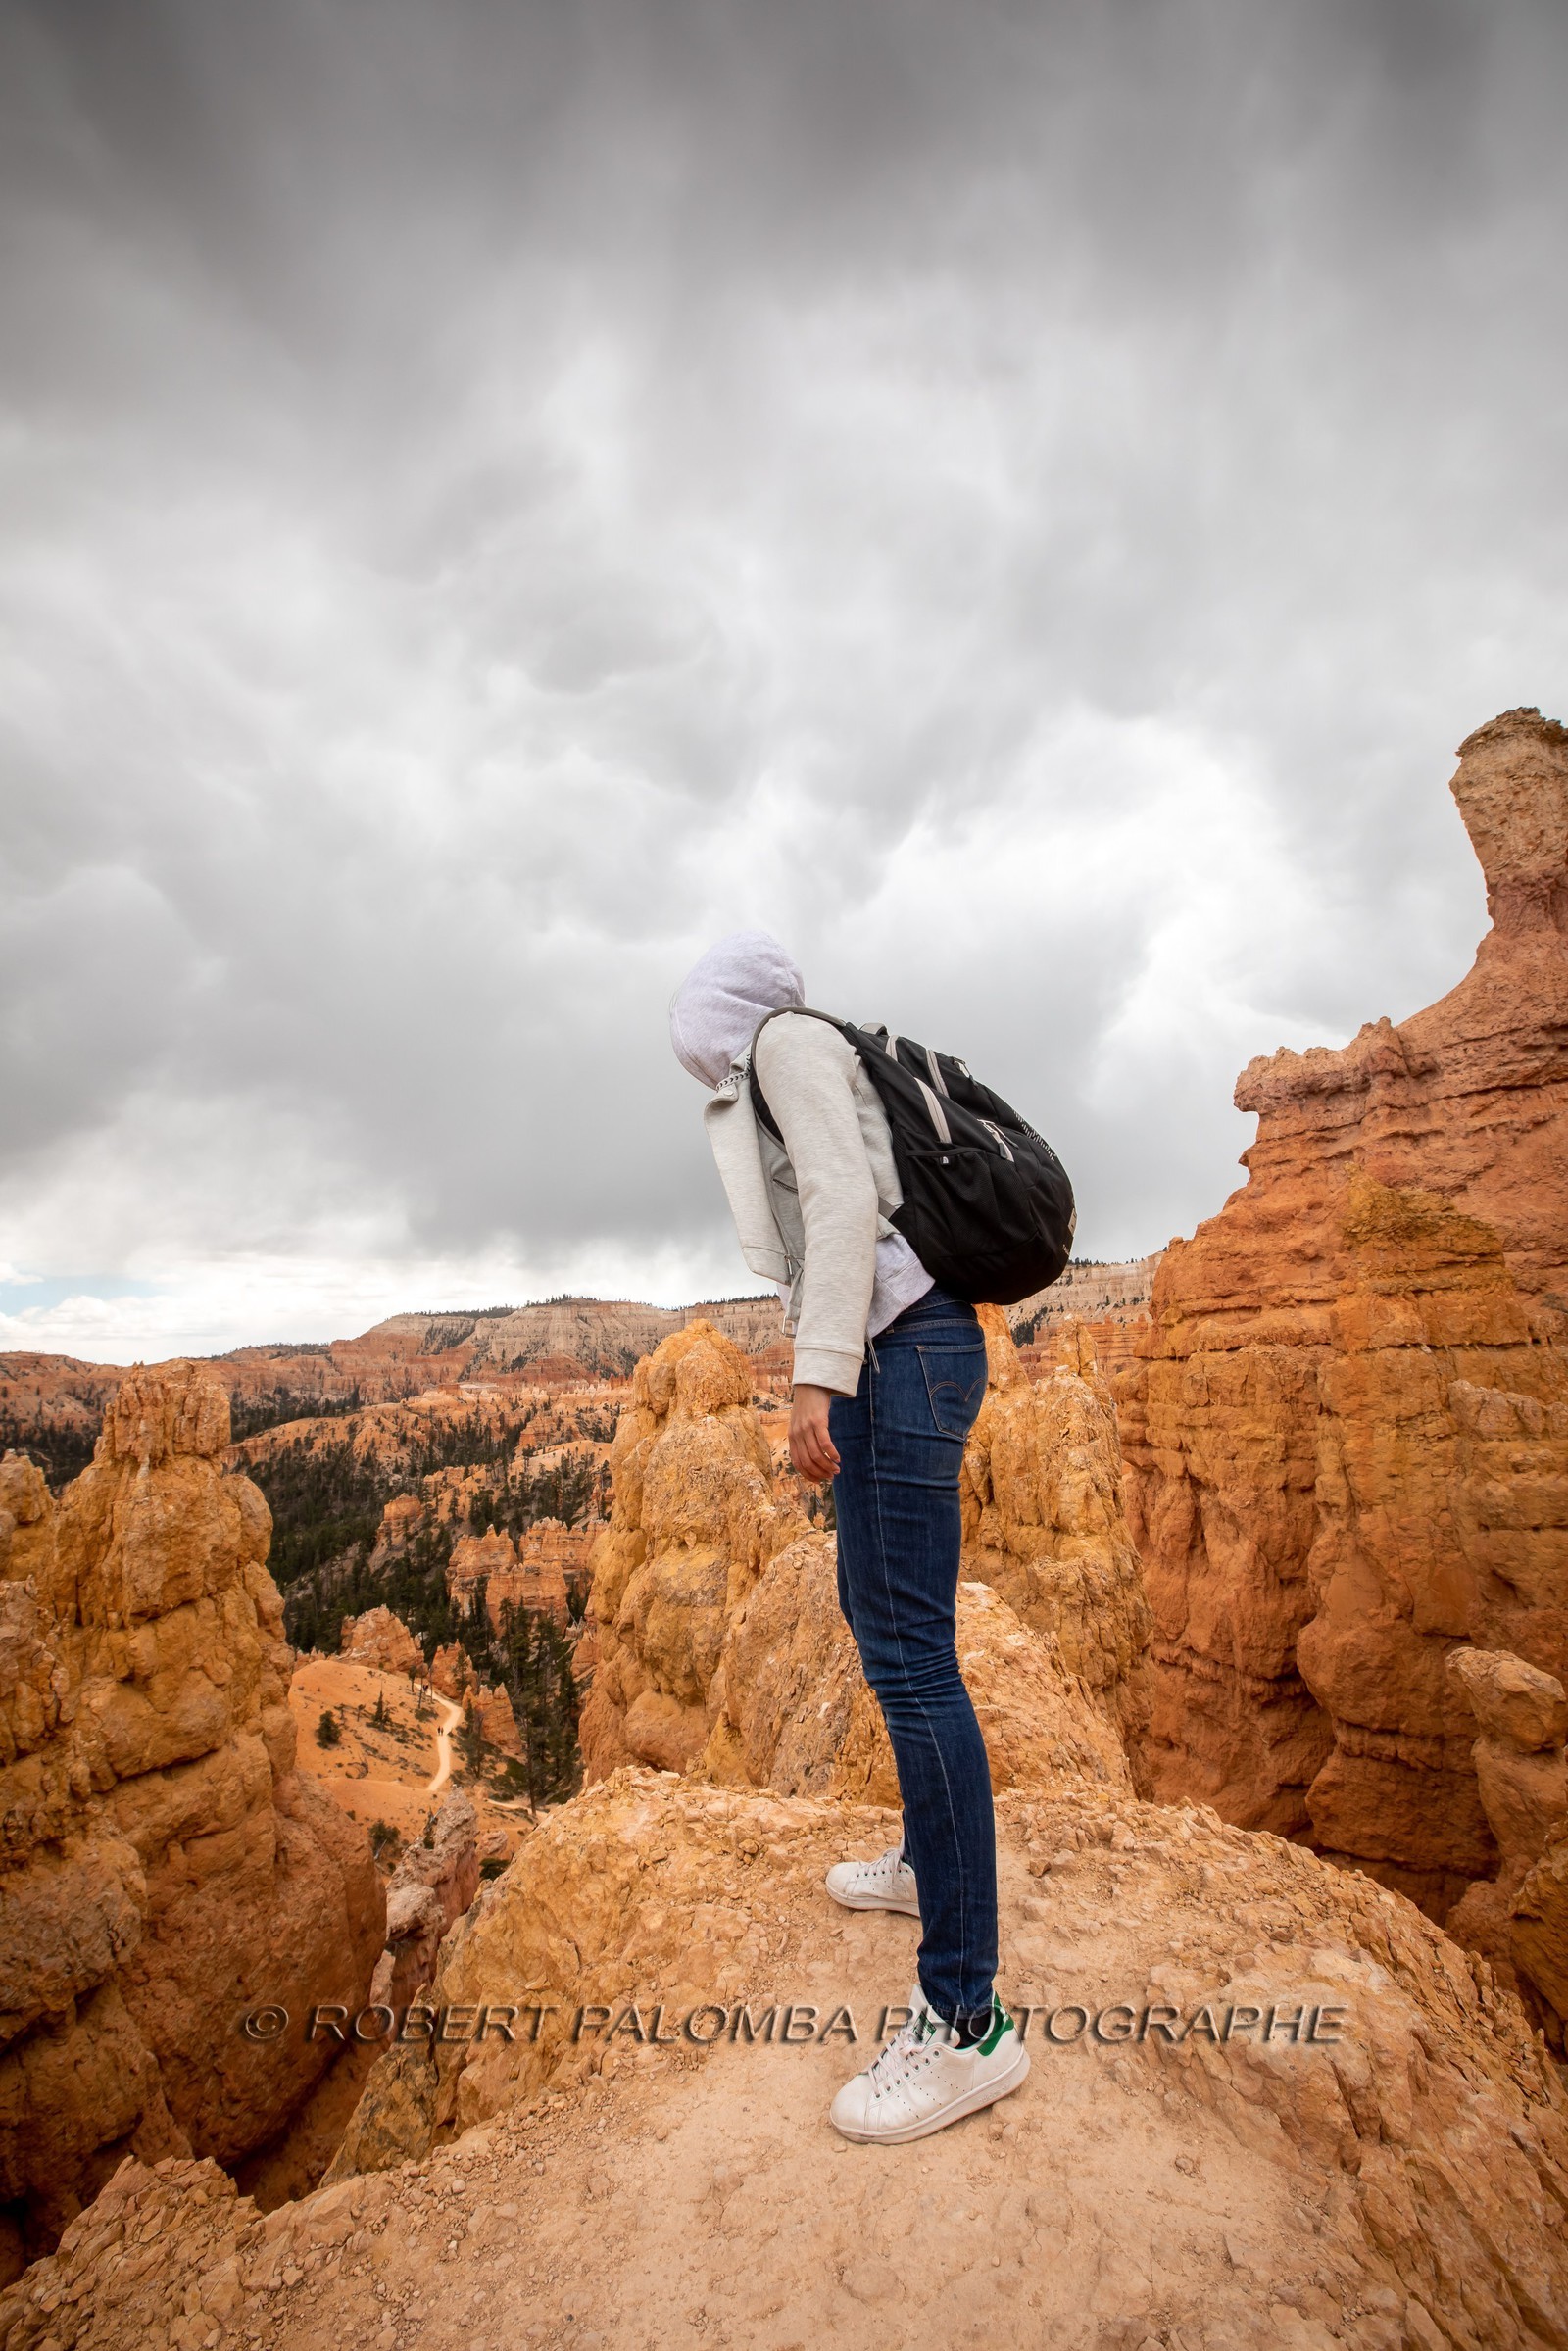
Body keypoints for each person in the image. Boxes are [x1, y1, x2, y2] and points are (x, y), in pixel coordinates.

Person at [669, 929, 1030, 2143]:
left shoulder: (784, 1043)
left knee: (915, 1655)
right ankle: (931, 1862)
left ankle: (966, 2020)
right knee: (882, 1627)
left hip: (903, 1353)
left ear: (717, 1008)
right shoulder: (789, 1051)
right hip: (899, 1353)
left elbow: (836, 1198)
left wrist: (812, 1377)